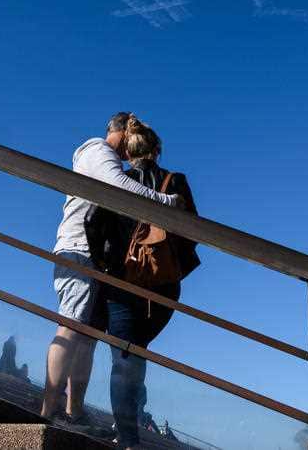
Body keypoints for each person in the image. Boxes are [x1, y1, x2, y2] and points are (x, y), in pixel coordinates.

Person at [40, 112, 183, 434]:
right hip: (78, 250)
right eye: (127, 142)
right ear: (118, 133)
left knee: (85, 336)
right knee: (71, 326)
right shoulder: (98, 151)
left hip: (90, 255)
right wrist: (167, 201)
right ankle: (47, 411)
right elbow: (119, 189)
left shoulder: (104, 158)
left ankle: (73, 411)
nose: (127, 152)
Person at [101, 117, 195, 450]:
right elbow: (191, 235)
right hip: (164, 287)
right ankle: (127, 423)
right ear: (156, 150)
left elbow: (98, 227)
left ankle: (125, 436)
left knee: (123, 358)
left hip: (122, 283)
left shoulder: (119, 181)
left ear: (128, 153)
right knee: (137, 352)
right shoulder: (176, 182)